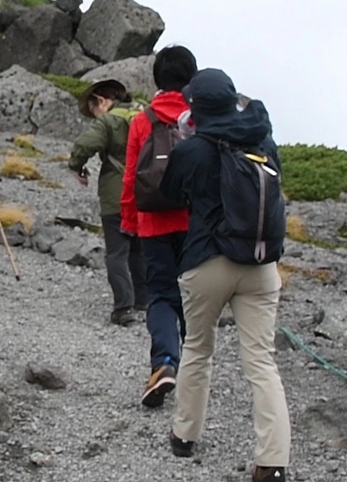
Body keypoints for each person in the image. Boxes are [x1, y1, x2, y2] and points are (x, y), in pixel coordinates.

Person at [160, 68, 290, 482]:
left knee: (198, 347)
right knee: (261, 362)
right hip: (261, 264)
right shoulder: (263, 139)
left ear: (194, 107)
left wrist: (185, 146)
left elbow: (169, 194)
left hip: (207, 262)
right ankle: (272, 462)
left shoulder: (193, 149)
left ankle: (185, 435)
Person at [121, 45, 197, 408]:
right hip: (194, 222)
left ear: (157, 79)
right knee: (194, 297)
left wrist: (129, 221)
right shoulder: (198, 120)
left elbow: (131, 178)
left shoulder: (141, 120)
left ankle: (164, 363)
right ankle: (197, 376)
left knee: (162, 295)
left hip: (153, 224)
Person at [68, 79, 147, 326]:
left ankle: (123, 308)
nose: (95, 115)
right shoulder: (146, 113)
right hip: (147, 194)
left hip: (118, 195)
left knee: (117, 252)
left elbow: (84, 145)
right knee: (138, 249)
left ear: (102, 101)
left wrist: (76, 166)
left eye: (93, 109)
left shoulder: (109, 120)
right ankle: (143, 300)